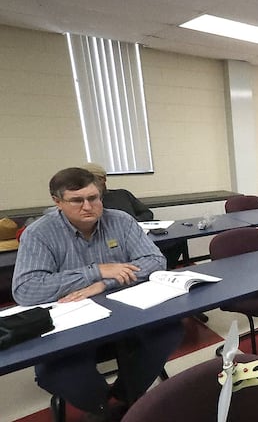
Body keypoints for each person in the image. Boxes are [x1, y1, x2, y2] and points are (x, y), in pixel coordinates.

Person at [13, 167, 184, 421]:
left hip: (123, 310)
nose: (87, 206)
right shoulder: (39, 234)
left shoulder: (121, 220)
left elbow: (154, 261)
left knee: (169, 330)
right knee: (58, 372)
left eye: (93, 198)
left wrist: (105, 283)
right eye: (76, 200)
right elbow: (26, 288)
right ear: (57, 202)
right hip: (71, 322)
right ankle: (103, 407)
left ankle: (127, 397)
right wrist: (97, 271)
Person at [83, 163, 188, 269]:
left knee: (178, 240)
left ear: (103, 179)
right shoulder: (90, 204)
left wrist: (133, 223)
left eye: (95, 180)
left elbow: (147, 213)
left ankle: (162, 269)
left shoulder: (122, 194)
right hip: (112, 240)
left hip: (141, 233)